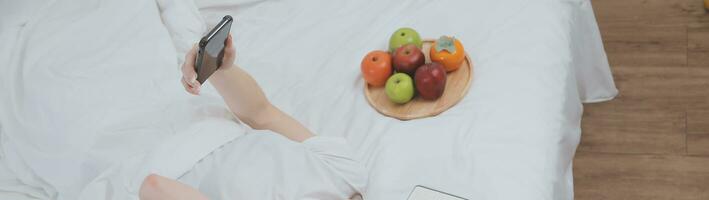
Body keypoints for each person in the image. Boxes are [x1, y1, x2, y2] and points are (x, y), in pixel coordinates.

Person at [138, 35, 367, 200]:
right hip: (211, 117)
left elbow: (152, 187)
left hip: (159, 158)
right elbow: (262, 114)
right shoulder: (346, 175)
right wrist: (217, 66)